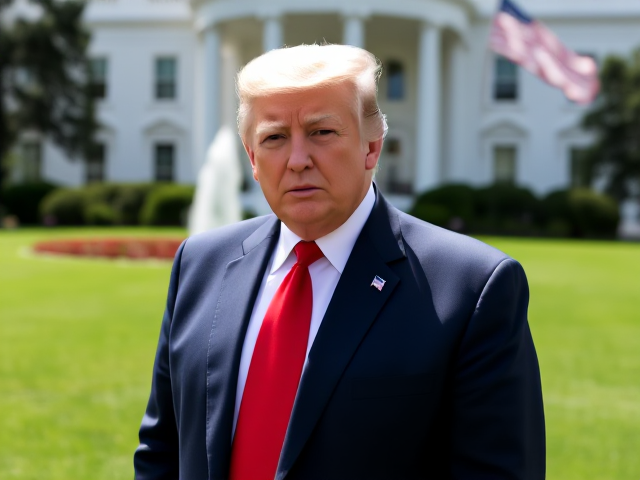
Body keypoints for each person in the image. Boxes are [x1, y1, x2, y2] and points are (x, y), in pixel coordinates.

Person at [134, 44, 545, 480]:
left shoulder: (470, 288)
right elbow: (162, 450)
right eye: (274, 138)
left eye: (321, 132)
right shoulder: (199, 264)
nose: (297, 160)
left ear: (372, 147)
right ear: (252, 160)